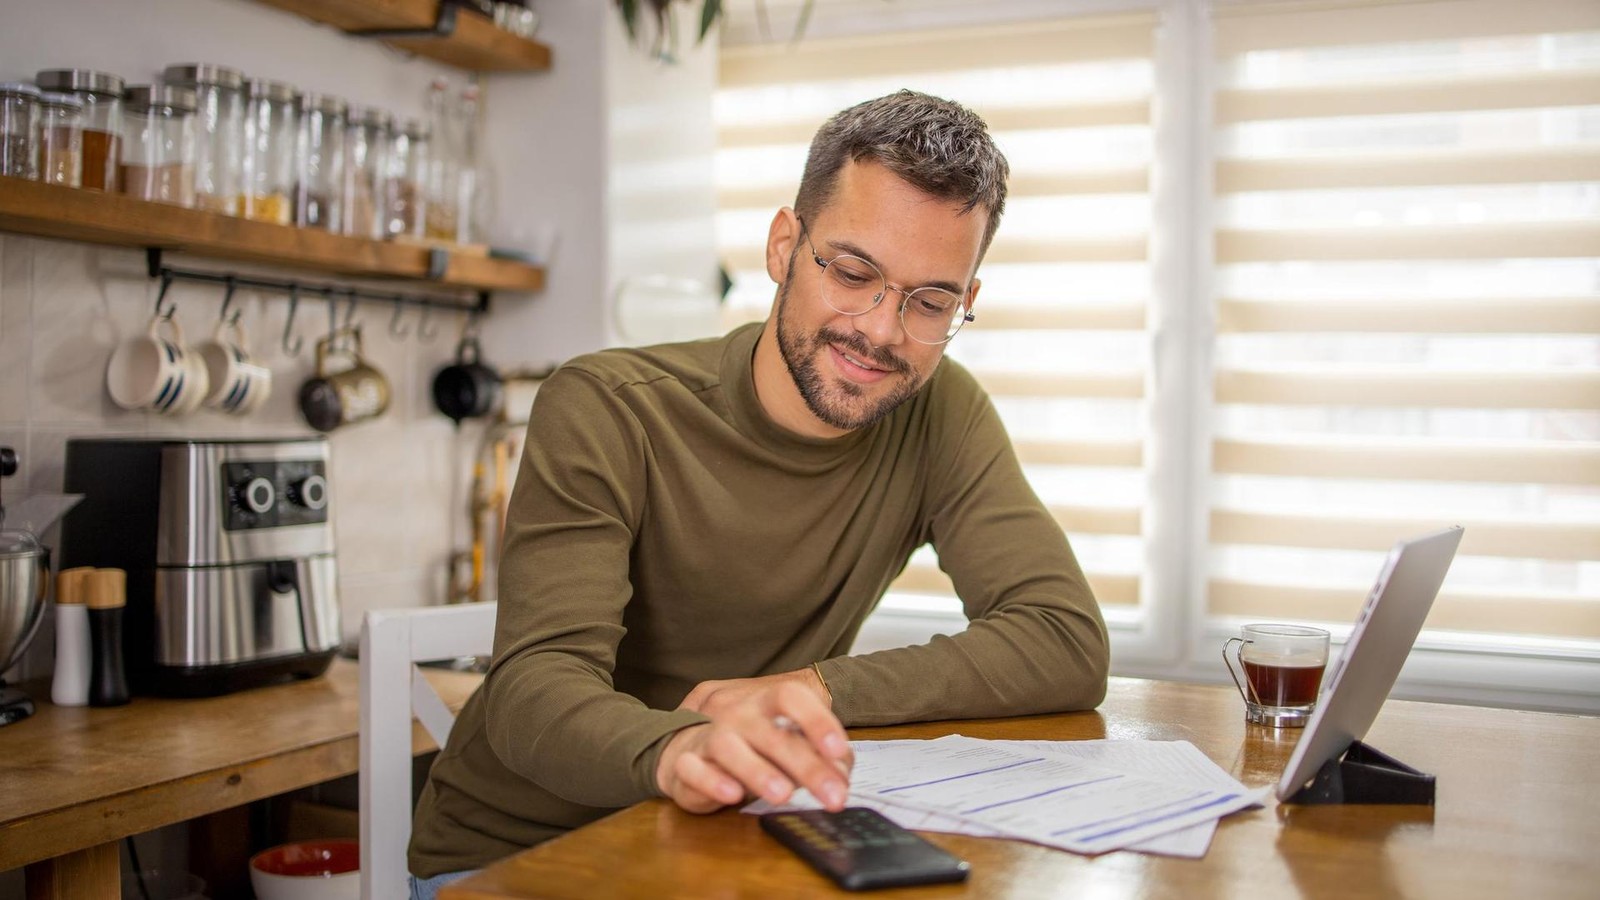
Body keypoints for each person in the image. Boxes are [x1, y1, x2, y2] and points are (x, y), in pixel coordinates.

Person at [407, 89, 1109, 896]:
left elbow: (1064, 639)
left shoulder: (942, 411)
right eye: (853, 273)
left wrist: (812, 689)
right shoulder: (607, 406)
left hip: (736, 842)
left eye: (931, 301)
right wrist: (680, 749)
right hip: (520, 852)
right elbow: (534, 694)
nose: (882, 332)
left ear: (966, 303)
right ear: (784, 246)